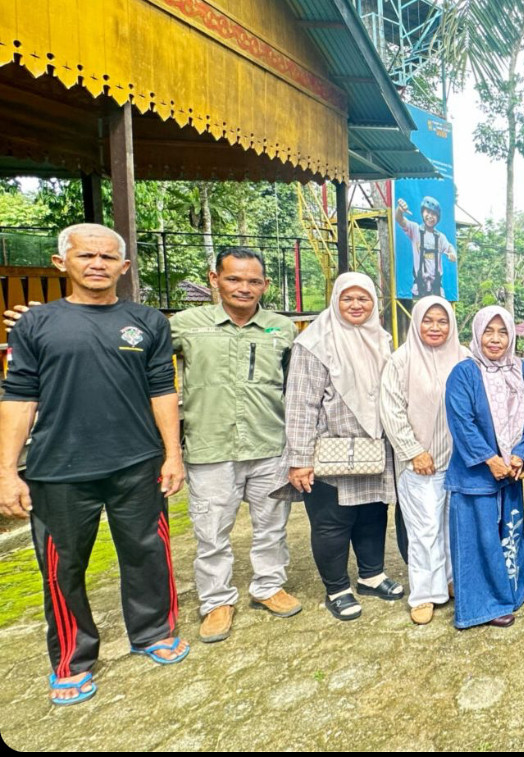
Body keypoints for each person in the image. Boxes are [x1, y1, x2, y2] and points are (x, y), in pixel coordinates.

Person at [0, 223, 188, 706]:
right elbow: (18, 397)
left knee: (148, 553)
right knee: (62, 569)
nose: (98, 264)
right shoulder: (35, 324)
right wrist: (7, 471)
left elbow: (162, 389)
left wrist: (172, 454)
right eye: (87, 255)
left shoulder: (147, 321)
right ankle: (72, 659)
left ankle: (152, 632)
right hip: (58, 469)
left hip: (137, 463)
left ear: (124, 267)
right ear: (61, 261)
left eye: (108, 257)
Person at [169, 248, 300, 644]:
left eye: (253, 281)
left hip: (269, 444)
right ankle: (216, 600)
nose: (244, 288)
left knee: (272, 526)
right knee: (211, 531)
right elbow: (134, 351)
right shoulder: (186, 326)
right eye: (234, 279)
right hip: (211, 446)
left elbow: (295, 385)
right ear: (215, 279)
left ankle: (268, 586)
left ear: (265, 285)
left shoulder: (282, 328)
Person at [282, 272, 403, 621]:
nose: (356, 305)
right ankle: (336, 588)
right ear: (335, 300)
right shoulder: (314, 342)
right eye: (347, 298)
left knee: (372, 514)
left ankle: (371, 575)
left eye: (363, 298)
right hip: (330, 452)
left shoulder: (380, 339)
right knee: (332, 521)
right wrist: (299, 458)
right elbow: (300, 403)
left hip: (373, 449)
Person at [445, 306, 524, 629]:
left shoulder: (521, 371)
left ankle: (512, 590)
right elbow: (462, 422)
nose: (495, 339)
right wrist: (489, 459)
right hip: (475, 475)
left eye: (503, 332)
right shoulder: (465, 373)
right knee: (479, 540)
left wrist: (520, 453)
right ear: (477, 334)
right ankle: (482, 606)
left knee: (510, 532)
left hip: (510, 473)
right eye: (488, 331)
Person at [382, 296, 470, 625]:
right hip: (420, 462)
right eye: (428, 320)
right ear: (416, 322)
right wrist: (413, 452)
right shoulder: (401, 360)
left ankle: (448, 581)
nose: (435, 327)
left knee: (451, 526)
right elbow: (391, 411)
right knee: (424, 530)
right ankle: (423, 594)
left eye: (442, 321)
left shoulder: (464, 357)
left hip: (458, 461)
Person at [396, 196, 457, 298]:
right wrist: (400, 210)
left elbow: (449, 247)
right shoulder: (415, 229)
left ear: (438, 217)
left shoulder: (440, 237)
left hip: (437, 289)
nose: (430, 216)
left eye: (434, 214)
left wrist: (453, 254)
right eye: (428, 212)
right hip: (419, 287)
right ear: (422, 212)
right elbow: (400, 220)